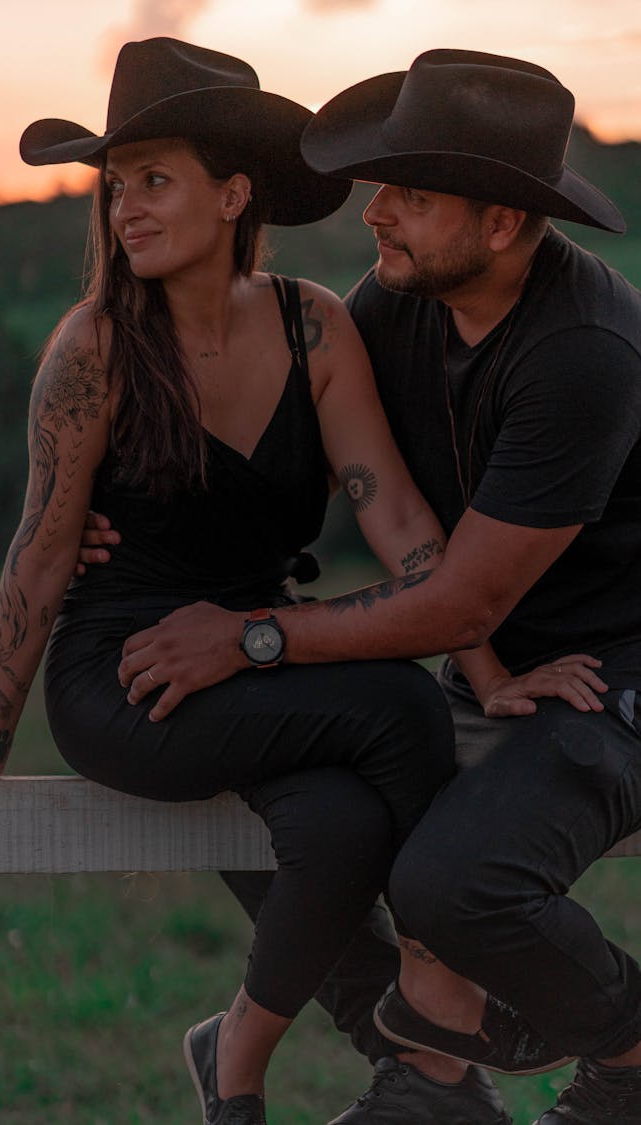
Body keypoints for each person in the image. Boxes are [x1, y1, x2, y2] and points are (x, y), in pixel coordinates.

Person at [0, 36, 480, 1125]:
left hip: (255, 653)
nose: (126, 210)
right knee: (404, 707)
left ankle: (239, 1065)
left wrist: (486, 661)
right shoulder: (97, 346)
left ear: (233, 192)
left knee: (341, 824)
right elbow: (44, 546)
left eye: (154, 181)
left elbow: (391, 510)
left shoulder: (314, 324)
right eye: (115, 188)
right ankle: (441, 1032)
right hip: (122, 681)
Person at [103, 49, 641, 1124]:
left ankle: (627, 1060)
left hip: (612, 668)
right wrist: (102, 526)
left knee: (456, 883)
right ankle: (429, 1074)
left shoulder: (584, 351)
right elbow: (274, 475)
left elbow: (463, 602)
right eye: (380, 187)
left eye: (412, 196)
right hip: (487, 661)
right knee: (257, 778)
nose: (375, 215)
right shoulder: (394, 308)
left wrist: (254, 636)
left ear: (501, 225)